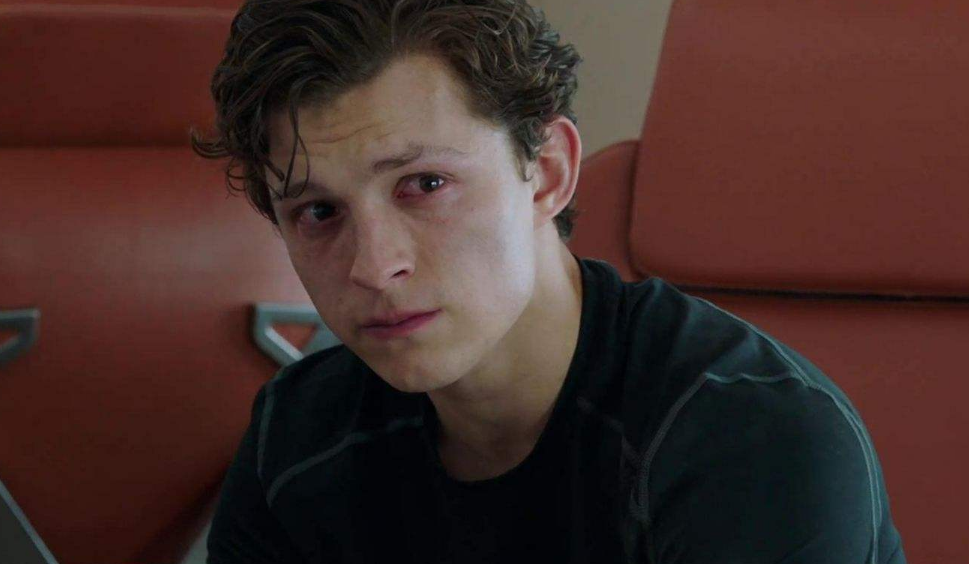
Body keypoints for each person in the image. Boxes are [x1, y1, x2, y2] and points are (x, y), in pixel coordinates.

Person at [191, 0, 907, 562]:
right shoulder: (297, 439)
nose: (374, 267)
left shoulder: (748, 439)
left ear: (548, 172)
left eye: (426, 184)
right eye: (319, 212)